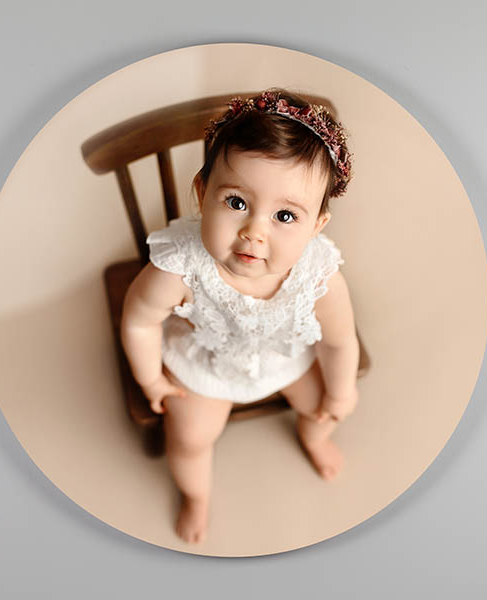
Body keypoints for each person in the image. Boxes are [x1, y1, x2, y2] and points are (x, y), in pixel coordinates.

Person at [120, 88, 360, 544]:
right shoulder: (181, 266)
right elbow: (139, 319)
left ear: (317, 226)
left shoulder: (320, 277)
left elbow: (338, 341)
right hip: (207, 360)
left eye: (286, 216)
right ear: (202, 192)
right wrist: (151, 379)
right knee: (190, 439)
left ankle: (314, 440)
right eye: (236, 203)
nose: (255, 232)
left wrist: (342, 391)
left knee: (325, 405)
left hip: (283, 355)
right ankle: (197, 496)